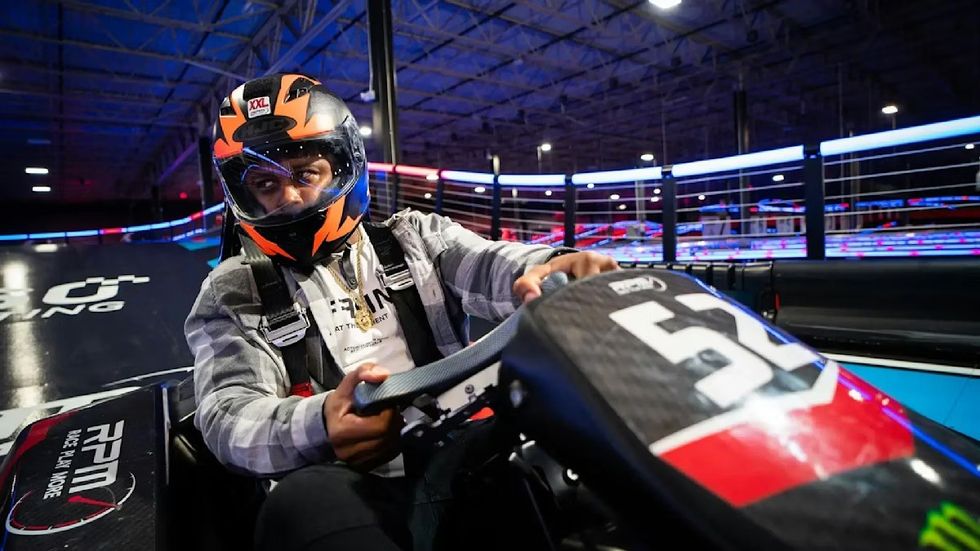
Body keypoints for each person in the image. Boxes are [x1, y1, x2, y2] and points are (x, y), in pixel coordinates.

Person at [184, 73, 620, 551]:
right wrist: (322, 421)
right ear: (242, 196)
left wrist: (550, 266)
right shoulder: (232, 290)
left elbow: (493, 264)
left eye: (306, 174)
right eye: (265, 184)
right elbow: (227, 416)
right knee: (299, 503)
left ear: (344, 166)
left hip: (457, 458)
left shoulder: (416, 239)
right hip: (341, 484)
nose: (288, 198)